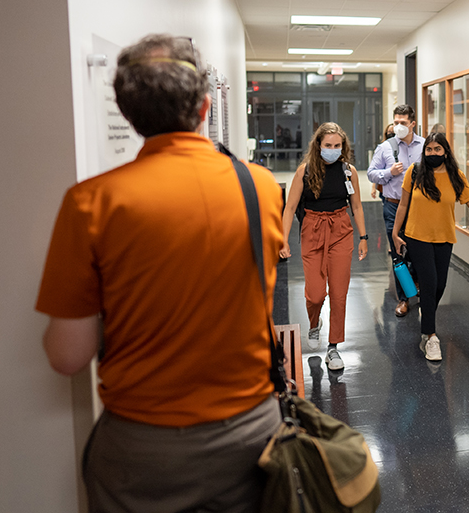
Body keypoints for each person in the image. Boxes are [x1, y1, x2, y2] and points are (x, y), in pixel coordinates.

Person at [36, 34, 285, 512]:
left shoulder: (92, 202)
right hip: (252, 433)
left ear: (129, 114)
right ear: (205, 108)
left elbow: (68, 356)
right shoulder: (257, 186)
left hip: (143, 450)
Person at [392, 132, 469, 361]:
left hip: (444, 238)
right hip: (417, 237)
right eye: (429, 149)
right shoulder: (414, 172)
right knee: (429, 283)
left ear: (446, 152)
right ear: (424, 151)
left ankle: (426, 311)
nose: (433, 153)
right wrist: (395, 233)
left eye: (438, 149)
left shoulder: (456, 176)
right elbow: (403, 204)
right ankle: (430, 337)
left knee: (439, 286)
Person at [280, 122, 368, 371]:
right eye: (328, 145)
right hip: (313, 229)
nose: (332, 149)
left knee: (339, 293)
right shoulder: (305, 171)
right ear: (318, 145)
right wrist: (283, 239)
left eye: (337, 146)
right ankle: (314, 322)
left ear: (343, 147)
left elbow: (357, 206)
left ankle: (333, 348)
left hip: (340, 228)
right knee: (315, 293)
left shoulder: (349, 171)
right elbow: (288, 208)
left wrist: (364, 237)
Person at [367, 105, 425, 317]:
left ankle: (418, 286)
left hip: (419, 207)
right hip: (393, 205)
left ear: (412, 124)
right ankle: (403, 299)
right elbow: (371, 174)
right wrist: (388, 173)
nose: (398, 126)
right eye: (396, 122)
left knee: (419, 250)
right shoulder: (385, 148)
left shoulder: (425, 146)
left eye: (403, 122)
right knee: (398, 251)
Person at [370, 123, 396, 199]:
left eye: (393, 132)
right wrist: (373, 188)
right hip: (384, 184)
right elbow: (376, 170)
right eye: (389, 132)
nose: (391, 134)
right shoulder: (382, 148)